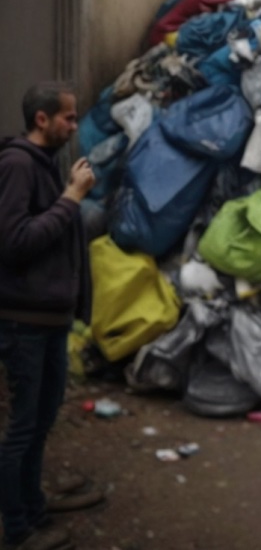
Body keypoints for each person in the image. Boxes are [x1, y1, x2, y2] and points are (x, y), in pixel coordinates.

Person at [0, 82, 97, 550]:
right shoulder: (18, 165)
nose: (75, 126)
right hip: (24, 322)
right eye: (69, 118)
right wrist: (71, 199)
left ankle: (34, 503)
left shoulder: (47, 163)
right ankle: (16, 529)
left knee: (41, 419)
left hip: (49, 319)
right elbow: (15, 243)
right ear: (42, 120)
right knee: (23, 425)